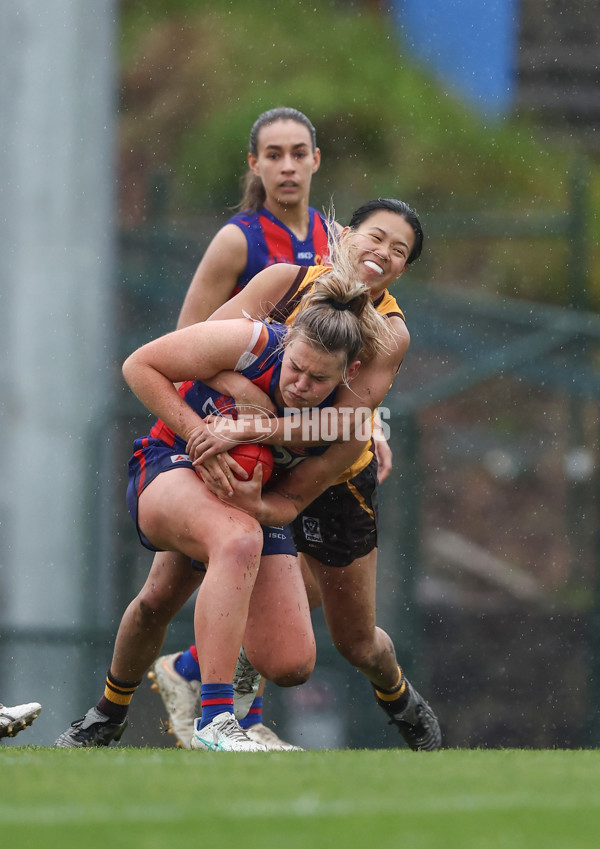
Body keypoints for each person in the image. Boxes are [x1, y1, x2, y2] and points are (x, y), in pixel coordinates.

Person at [54, 255, 392, 752]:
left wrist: (257, 496)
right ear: (289, 336)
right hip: (172, 461)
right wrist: (196, 433)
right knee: (233, 542)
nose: (301, 385)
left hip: (245, 500)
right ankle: (215, 720)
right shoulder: (253, 340)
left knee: (288, 662)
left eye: (319, 380)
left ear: (352, 370)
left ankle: (108, 715)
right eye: (296, 368)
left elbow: (290, 505)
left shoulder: (343, 425)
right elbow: (140, 365)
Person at [148, 106, 393, 750]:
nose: (287, 165)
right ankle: (119, 707)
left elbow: (350, 370)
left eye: (299, 152)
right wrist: (238, 408)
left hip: (277, 446)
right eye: (274, 154)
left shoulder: (339, 242)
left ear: (317, 161)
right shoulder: (240, 241)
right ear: (253, 165)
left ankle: (218, 700)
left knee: (284, 585)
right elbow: (187, 343)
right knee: (160, 592)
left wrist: (367, 429)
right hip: (206, 430)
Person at [193, 197, 442, 752]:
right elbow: (205, 347)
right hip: (261, 461)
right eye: (376, 237)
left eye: (399, 251)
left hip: (334, 481)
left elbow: (342, 421)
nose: (383, 253)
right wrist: (243, 405)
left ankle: (396, 693)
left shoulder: (389, 333)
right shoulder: (286, 281)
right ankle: (194, 709)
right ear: (347, 234)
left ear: (404, 270)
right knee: (177, 584)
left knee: (356, 642)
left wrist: (250, 430)